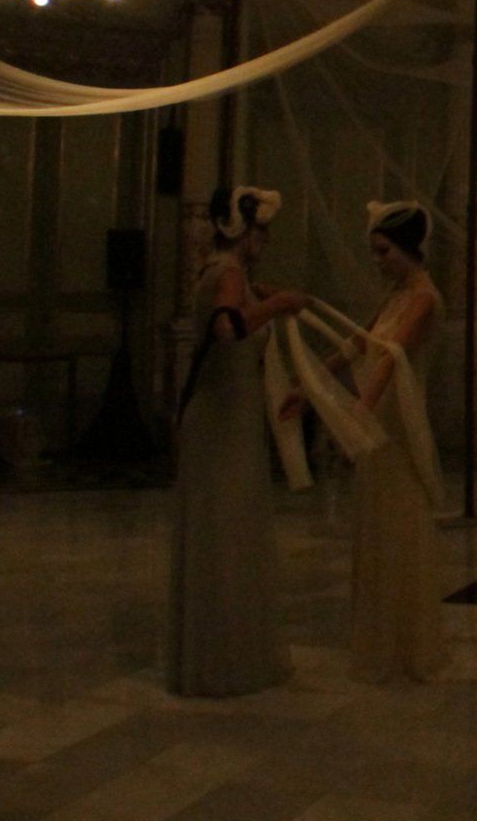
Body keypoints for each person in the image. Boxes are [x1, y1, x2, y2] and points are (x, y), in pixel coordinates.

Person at [165, 185, 307, 697]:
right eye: (260, 231)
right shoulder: (227, 272)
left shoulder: (223, 271)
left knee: (222, 535)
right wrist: (279, 305)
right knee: (226, 536)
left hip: (225, 418)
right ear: (242, 232)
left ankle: (217, 658)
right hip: (222, 422)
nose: (265, 240)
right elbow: (226, 328)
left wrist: (261, 297)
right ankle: (226, 662)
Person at [325, 199, 447, 682]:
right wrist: (311, 379)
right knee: (376, 524)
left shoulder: (423, 298)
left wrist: (361, 409)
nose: (377, 262)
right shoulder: (397, 295)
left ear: (408, 248)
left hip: (396, 425)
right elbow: (360, 342)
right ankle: (381, 637)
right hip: (381, 422)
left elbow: (391, 358)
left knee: (399, 523)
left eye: (384, 251)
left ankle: (405, 644)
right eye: (374, 252)